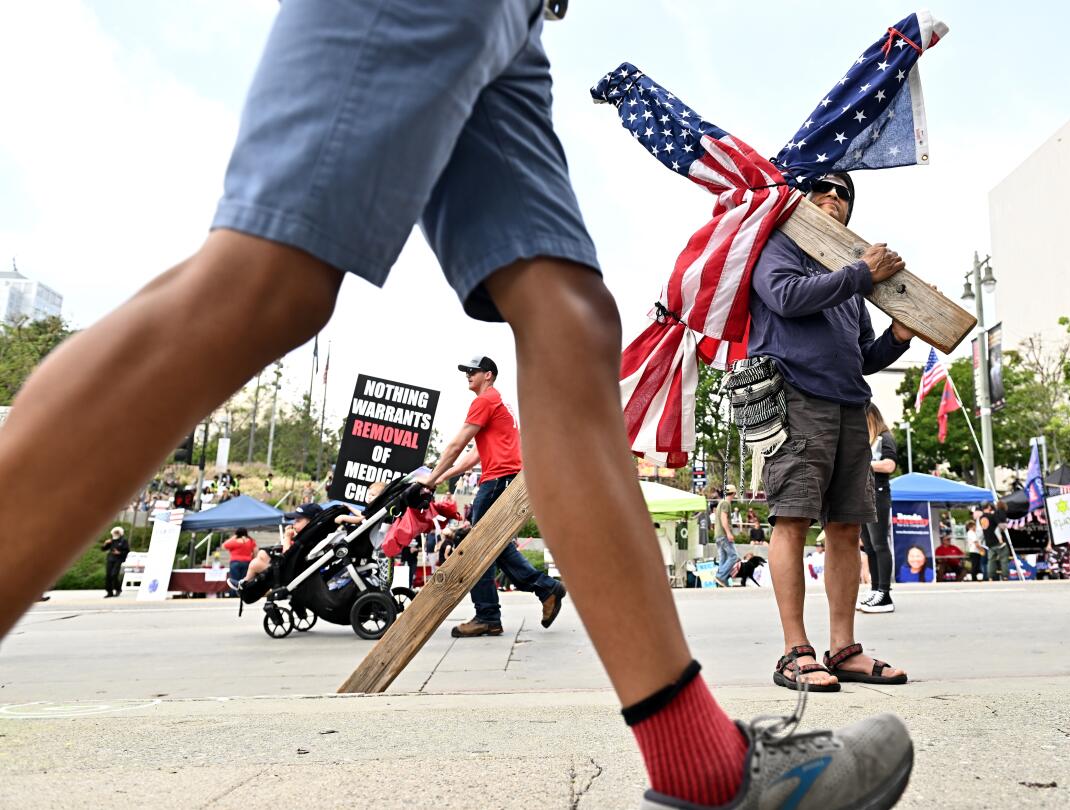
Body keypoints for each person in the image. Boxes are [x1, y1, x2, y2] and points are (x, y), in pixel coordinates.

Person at [0, 6, 914, 807]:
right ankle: (698, 758)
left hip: (515, 23)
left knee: (568, 318)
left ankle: (700, 763)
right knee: (268, 279)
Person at [749, 171, 910, 691]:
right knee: (792, 519)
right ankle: (795, 651)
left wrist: (900, 336)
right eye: (823, 186)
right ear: (801, 196)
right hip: (794, 396)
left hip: (847, 405)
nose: (835, 196)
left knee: (845, 526)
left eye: (845, 192)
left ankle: (842, 650)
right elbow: (786, 297)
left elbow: (863, 356)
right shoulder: (779, 244)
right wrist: (862, 274)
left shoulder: (848, 277)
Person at [418, 355, 566, 637]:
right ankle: (544, 590)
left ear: (489, 375)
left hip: (498, 480)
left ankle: (488, 614)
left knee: (477, 546)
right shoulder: (498, 403)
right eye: (466, 372)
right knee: (493, 546)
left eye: (473, 371)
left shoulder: (484, 402)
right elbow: (472, 456)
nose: (468, 375)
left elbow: (456, 445)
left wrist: (431, 478)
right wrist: (440, 478)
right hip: (504, 479)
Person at [858, 403, 898, 614]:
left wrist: (865, 464)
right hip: (864, 494)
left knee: (880, 543)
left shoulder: (885, 438)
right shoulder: (868, 440)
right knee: (870, 546)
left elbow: (890, 465)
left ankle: (885, 592)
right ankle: (875, 589)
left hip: (879, 493)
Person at [241, 502, 322, 586]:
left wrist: (287, 538)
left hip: (294, 576)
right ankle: (246, 583)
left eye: (298, 520)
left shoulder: (309, 538)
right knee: (262, 554)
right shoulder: (309, 535)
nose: (294, 523)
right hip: (295, 570)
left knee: (255, 564)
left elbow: (288, 557)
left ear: (311, 522)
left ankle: (245, 585)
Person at [713, 485, 738, 587]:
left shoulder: (721, 502)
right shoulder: (725, 503)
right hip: (723, 535)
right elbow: (724, 520)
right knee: (733, 556)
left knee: (723, 558)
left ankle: (720, 581)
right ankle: (720, 576)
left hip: (718, 535)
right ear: (734, 493)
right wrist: (729, 533)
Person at [981, 502, 1009, 581]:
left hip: (989, 542)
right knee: (1003, 559)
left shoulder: (981, 518)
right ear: (989, 507)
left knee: (991, 560)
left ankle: (990, 577)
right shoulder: (992, 516)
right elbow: (1000, 525)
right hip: (998, 542)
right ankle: (1005, 576)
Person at [101, 527, 130, 598]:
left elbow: (127, 551)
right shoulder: (111, 541)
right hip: (110, 559)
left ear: (120, 533)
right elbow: (103, 549)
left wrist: (119, 553)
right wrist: (105, 543)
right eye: (115, 532)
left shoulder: (123, 541)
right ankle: (109, 592)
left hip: (118, 559)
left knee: (114, 575)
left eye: (117, 532)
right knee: (108, 575)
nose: (116, 534)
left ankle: (118, 589)